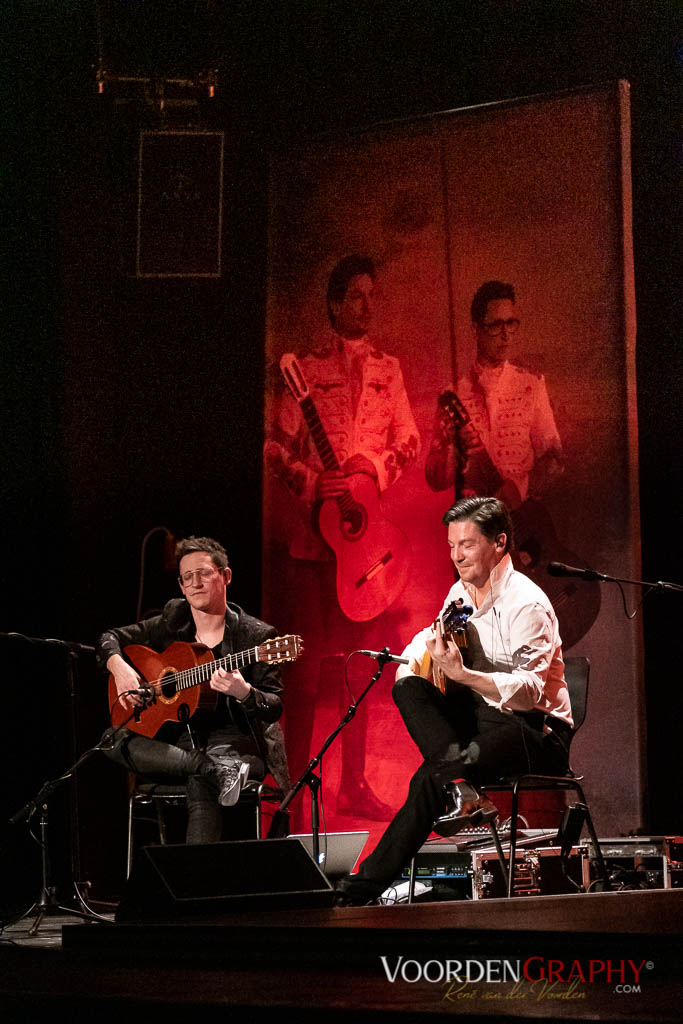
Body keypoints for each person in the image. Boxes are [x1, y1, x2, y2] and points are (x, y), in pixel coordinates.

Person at [335, 496, 573, 905]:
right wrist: (412, 667)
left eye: (466, 544)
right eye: (450, 545)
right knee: (406, 685)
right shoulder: (459, 594)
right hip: (483, 719)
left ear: (499, 543)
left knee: (429, 777)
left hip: (535, 731)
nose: (456, 556)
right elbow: (425, 643)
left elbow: (530, 693)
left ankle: (360, 890)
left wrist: (462, 674)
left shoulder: (527, 604)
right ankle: (459, 786)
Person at [263, 254, 420, 820]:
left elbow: (410, 441)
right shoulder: (304, 367)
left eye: (371, 295)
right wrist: (312, 480)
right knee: (303, 671)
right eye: (356, 296)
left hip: (366, 551)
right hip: (313, 548)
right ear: (333, 304)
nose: (367, 305)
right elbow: (275, 447)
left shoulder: (390, 369)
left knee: (360, 666)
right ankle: (293, 791)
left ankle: (353, 784)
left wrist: (372, 469)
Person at [97, 536, 289, 845]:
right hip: (173, 747)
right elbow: (108, 638)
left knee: (203, 783)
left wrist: (244, 692)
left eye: (204, 573)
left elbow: (274, 705)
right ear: (181, 586)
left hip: (234, 746)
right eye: (188, 577)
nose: (195, 583)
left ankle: (194, 881)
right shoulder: (172, 622)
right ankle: (207, 767)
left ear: (225, 576)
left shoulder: (257, 636)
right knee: (110, 739)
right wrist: (119, 669)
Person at [425, 280, 563, 504]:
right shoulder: (452, 395)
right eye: (495, 325)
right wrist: (452, 448)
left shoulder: (532, 385)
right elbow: (435, 480)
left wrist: (519, 489)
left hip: (524, 520)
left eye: (510, 323)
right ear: (477, 329)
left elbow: (555, 459)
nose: (506, 335)